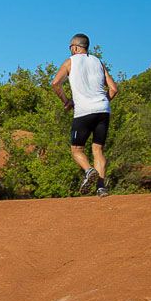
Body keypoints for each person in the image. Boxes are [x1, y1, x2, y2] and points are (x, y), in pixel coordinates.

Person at [51, 33, 119, 196]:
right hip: (103, 110)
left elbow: (55, 84)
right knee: (98, 150)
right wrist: (103, 102)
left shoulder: (70, 62)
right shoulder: (98, 62)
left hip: (83, 111)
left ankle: (89, 171)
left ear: (74, 47)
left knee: (76, 150)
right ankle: (101, 188)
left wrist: (67, 101)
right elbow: (114, 89)